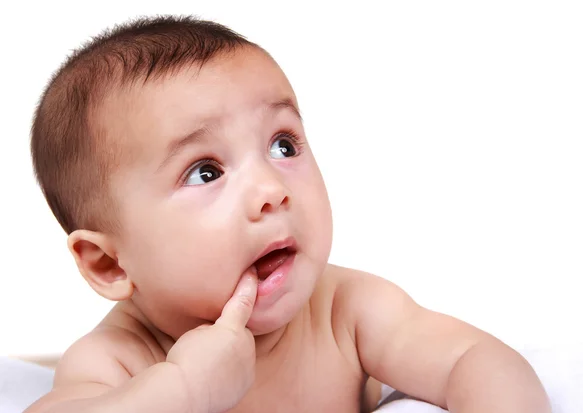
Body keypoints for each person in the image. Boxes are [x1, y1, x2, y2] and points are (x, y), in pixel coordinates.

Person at [26, 15, 551, 413]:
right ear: (108, 264)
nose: (271, 191)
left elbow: (472, 359)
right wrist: (185, 388)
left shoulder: (344, 311)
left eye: (282, 144)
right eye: (206, 172)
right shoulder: (117, 360)